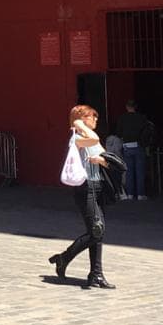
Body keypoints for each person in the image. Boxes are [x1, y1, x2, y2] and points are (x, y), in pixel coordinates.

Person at [48, 105, 115, 289]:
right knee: (96, 230)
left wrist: (101, 160)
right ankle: (64, 258)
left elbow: (106, 160)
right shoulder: (77, 138)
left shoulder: (90, 138)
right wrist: (78, 125)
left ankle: (96, 274)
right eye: (92, 116)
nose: (96, 119)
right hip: (85, 189)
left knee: (98, 232)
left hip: (98, 187)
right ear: (82, 119)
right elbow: (95, 139)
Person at [113, 100, 154, 201]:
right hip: (139, 145)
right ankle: (140, 194)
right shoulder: (142, 118)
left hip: (127, 146)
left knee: (129, 171)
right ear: (136, 107)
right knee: (140, 171)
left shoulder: (122, 118)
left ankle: (130, 194)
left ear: (127, 107)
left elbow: (118, 133)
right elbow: (147, 131)